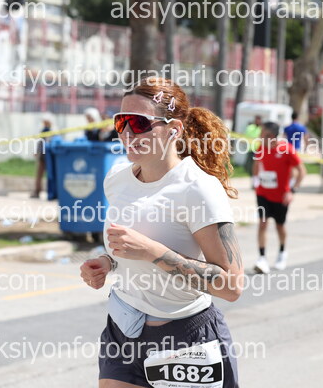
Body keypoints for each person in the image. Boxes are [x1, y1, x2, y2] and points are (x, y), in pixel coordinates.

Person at [80, 77, 243, 388]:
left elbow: (231, 286)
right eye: (121, 121)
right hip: (124, 329)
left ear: (174, 129)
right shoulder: (117, 178)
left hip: (186, 339)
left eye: (139, 123)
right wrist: (108, 262)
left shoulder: (198, 189)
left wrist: (152, 252)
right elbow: (131, 245)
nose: (128, 133)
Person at [253, 121, 306, 274]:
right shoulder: (261, 148)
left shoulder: (287, 149)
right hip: (263, 193)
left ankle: (282, 252)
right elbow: (256, 164)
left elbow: (302, 171)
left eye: (263, 134)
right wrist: (255, 181)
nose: (260, 137)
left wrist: (292, 191)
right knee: (263, 223)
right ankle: (262, 258)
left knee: (279, 226)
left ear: (271, 136)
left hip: (281, 196)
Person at [31, 113, 53, 199]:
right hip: (44, 156)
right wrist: (37, 151)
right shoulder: (44, 130)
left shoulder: (51, 131)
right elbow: (40, 142)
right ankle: (37, 191)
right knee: (39, 174)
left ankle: (50, 192)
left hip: (49, 156)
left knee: (49, 175)